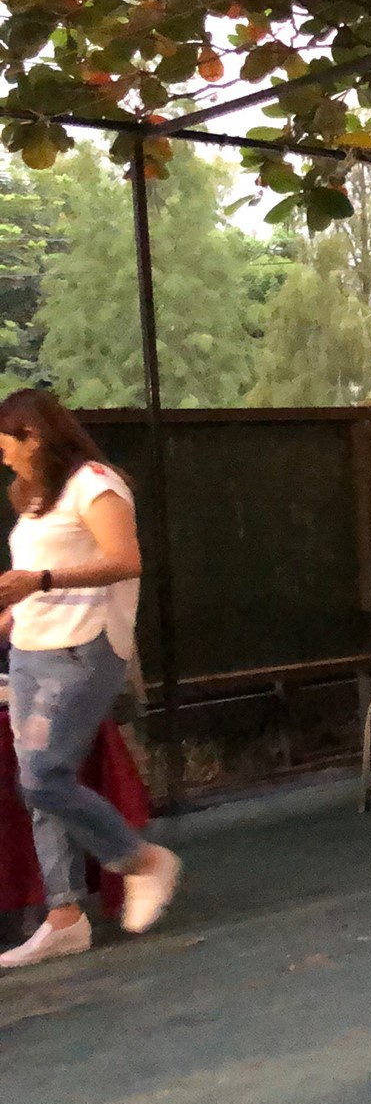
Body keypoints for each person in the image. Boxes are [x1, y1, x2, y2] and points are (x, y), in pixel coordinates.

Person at [0, 388, 180, 968]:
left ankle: (141, 860)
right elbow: (30, 581)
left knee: (43, 778)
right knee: (39, 781)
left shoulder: (95, 483)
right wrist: (11, 614)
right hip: (30, 649)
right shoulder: (35, 497)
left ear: (33, 435)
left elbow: (126, 561)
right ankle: (64, 917)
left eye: (6, 444)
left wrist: (40, 581)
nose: (3, 456)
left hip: (83, 646)